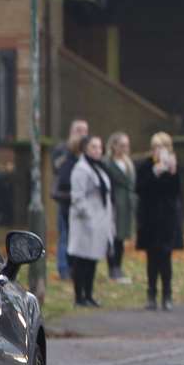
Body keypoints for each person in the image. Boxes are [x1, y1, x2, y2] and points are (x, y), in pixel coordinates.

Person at [136, 131, 184, 311]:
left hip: (167, 220)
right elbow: (140, 189)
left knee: (166, 259)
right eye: (155, 147)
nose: (158, 151)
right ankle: (151, 294)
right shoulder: (146, 166)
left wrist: (172, 173)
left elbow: (176, 192)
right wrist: (154, 174)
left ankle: (167, 294)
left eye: (162, 147)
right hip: (149, 220)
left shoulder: (173, 166)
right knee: (151, 259)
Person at [67, 136, 115, 308]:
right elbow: (78, 197)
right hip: (84, 223)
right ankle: (79, 297)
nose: (98, 150)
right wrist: (89, 217)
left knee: (92, 261)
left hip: (99, 222)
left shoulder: (99, 169)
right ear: (86, 149)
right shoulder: (80, 169)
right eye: (94, 147)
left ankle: (89, 294)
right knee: (82, 261)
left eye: (99, 147)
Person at [50, 118, 88, 281]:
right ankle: (64, 269)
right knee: (65, 235)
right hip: (66, 201)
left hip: (83, 202)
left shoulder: (88, 151)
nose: (82, 134)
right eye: (78, 130)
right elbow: (57, 167)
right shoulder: (62, 150)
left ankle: (78, 269)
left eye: (84, 131)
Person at [105, 132, 136, 282]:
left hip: (126, 204)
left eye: (127, 145)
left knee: (122, 237)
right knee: (113, 237)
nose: (125, 148)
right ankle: (113, 268)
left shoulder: (128, 163)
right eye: (122, 145)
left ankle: (119, 266)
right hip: (115, 203)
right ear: (114, 146)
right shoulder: (108, 163)